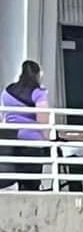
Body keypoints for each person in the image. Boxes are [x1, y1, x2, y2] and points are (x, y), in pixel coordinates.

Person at [1, 61, 50, 191]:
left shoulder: (8, 90)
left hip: (12, 141)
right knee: (31, 183)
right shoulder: (39, 93)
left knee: (15, 176)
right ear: (38, 75)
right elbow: (43, 120)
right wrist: (48, 139)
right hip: (32, 143)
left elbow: (3, 115)